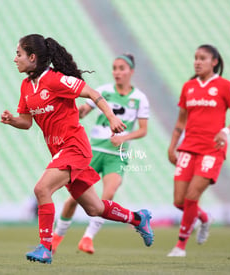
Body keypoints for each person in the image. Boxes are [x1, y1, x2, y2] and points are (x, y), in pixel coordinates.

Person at [1, 34, 154, 264]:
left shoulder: (55, 80)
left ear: (32, 57)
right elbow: (26, 121)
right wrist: (12, 120)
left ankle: (45, 247)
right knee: (95, 208)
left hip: (74, 147)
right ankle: (138, 218)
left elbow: (93, 94)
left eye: (19, 54)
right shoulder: (26, 86)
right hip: (61, 151)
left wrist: (111, 118)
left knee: (42, 189)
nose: (15, 59)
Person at [52, 54, 150, 255]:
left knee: (109, 193)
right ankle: (55, 239)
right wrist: (78, 111)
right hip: (94, 151)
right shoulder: (104, 91)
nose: (117, 72)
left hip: (116, 155)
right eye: (114, 68)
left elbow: (143, 130)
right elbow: (85, 110)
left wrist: (123, 138)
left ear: (131, 71)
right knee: (73, 199)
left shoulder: (139, 98)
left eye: (122, 68)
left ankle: (88, 238)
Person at [166, 45, 230, 257]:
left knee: (192, 196)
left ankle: (180, 245)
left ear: (214, 62)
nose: (197, 62)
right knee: (179, 201)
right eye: (195, 58)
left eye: (203, 58)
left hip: (212, 150)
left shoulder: (226, 86)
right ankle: (205, 218)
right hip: (188, 148)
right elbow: (181, 121)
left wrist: (225, 131)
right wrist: (172, 146)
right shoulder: (188, 87)